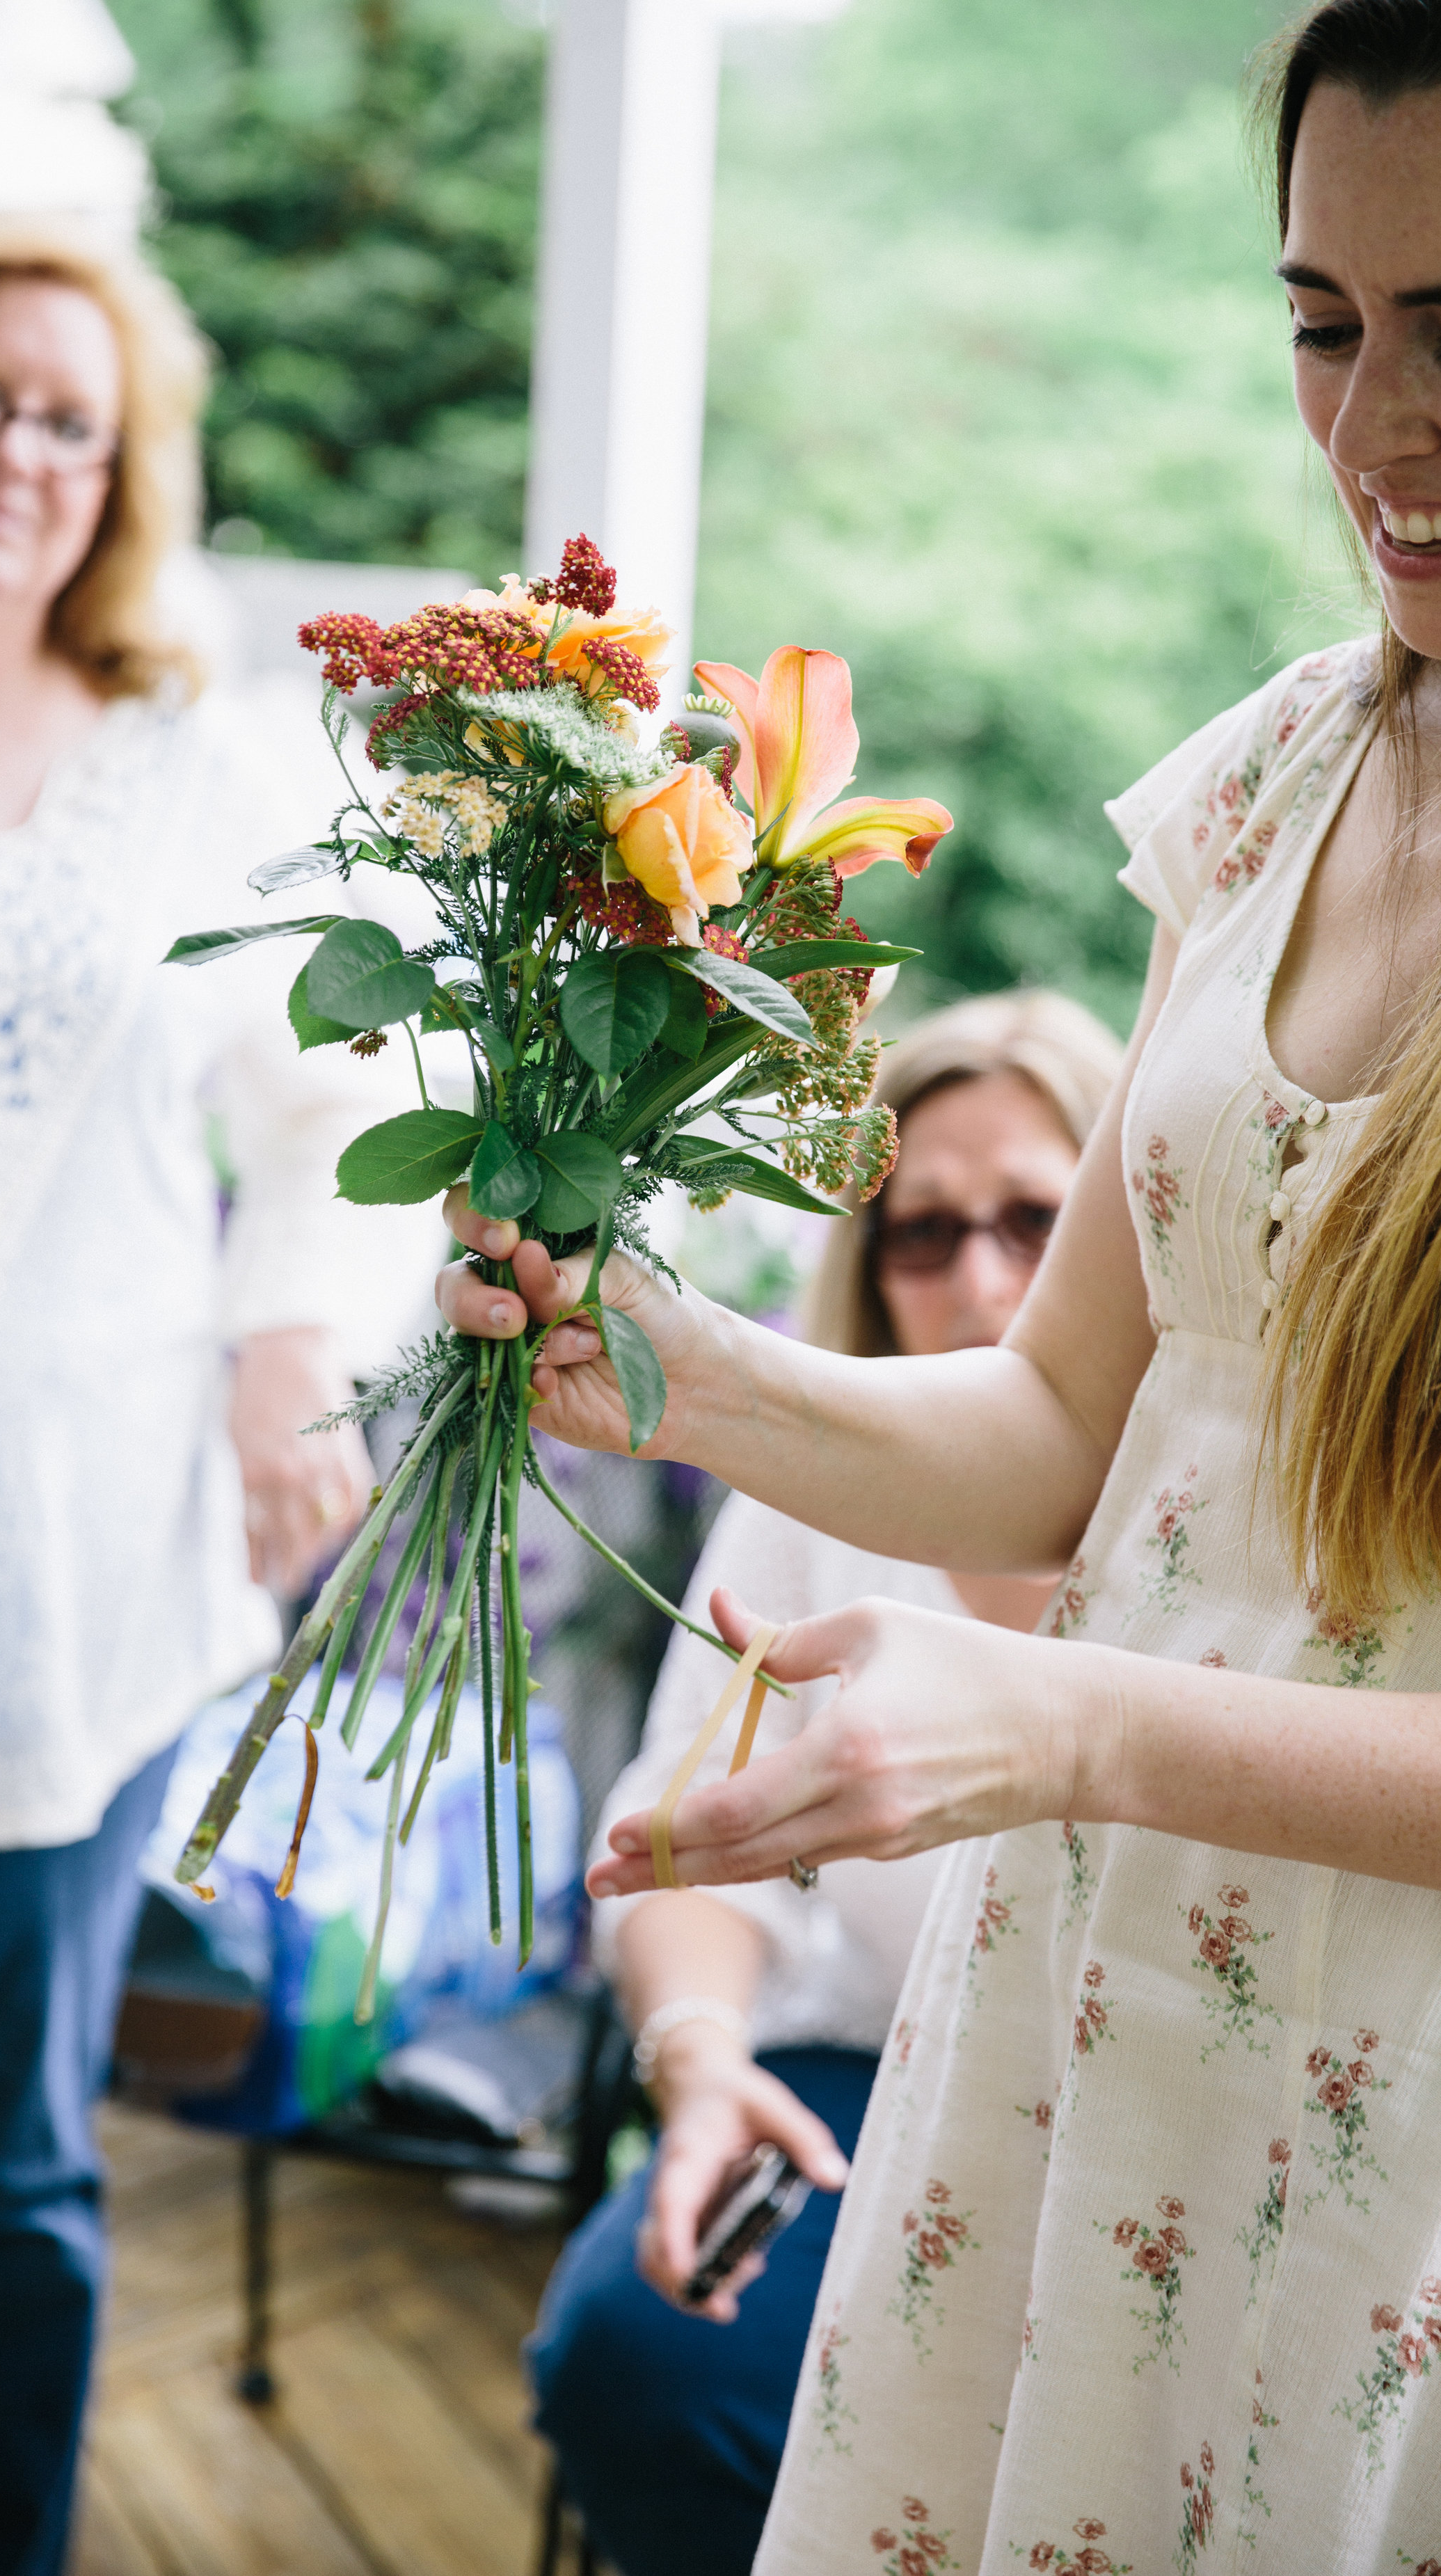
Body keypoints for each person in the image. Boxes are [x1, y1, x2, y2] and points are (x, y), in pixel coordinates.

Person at [443, 0, 1441, 2554]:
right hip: (1091, 2038)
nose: (1372, 431)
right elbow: (1074, 1432)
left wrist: (1070, 1732)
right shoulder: (1288, 765)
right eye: (1322, 323)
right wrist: (677, 1366)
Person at [0, 219, 406, 2574]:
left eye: (75, 418)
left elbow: (330, 1105)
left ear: (128, 471)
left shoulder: (198, 762)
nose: (17, 452)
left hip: (34, 1579)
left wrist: (295, 1360)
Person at [527, 993, 1121, 2576]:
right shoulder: (812, 1492)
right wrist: (698, 2056)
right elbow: (676, 1837)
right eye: (920, 1234)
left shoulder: (1213, 1516)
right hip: (870, 2079)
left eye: (1033, 1220)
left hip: (1144, 2117)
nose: (979, 1279)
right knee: (632, 2360)